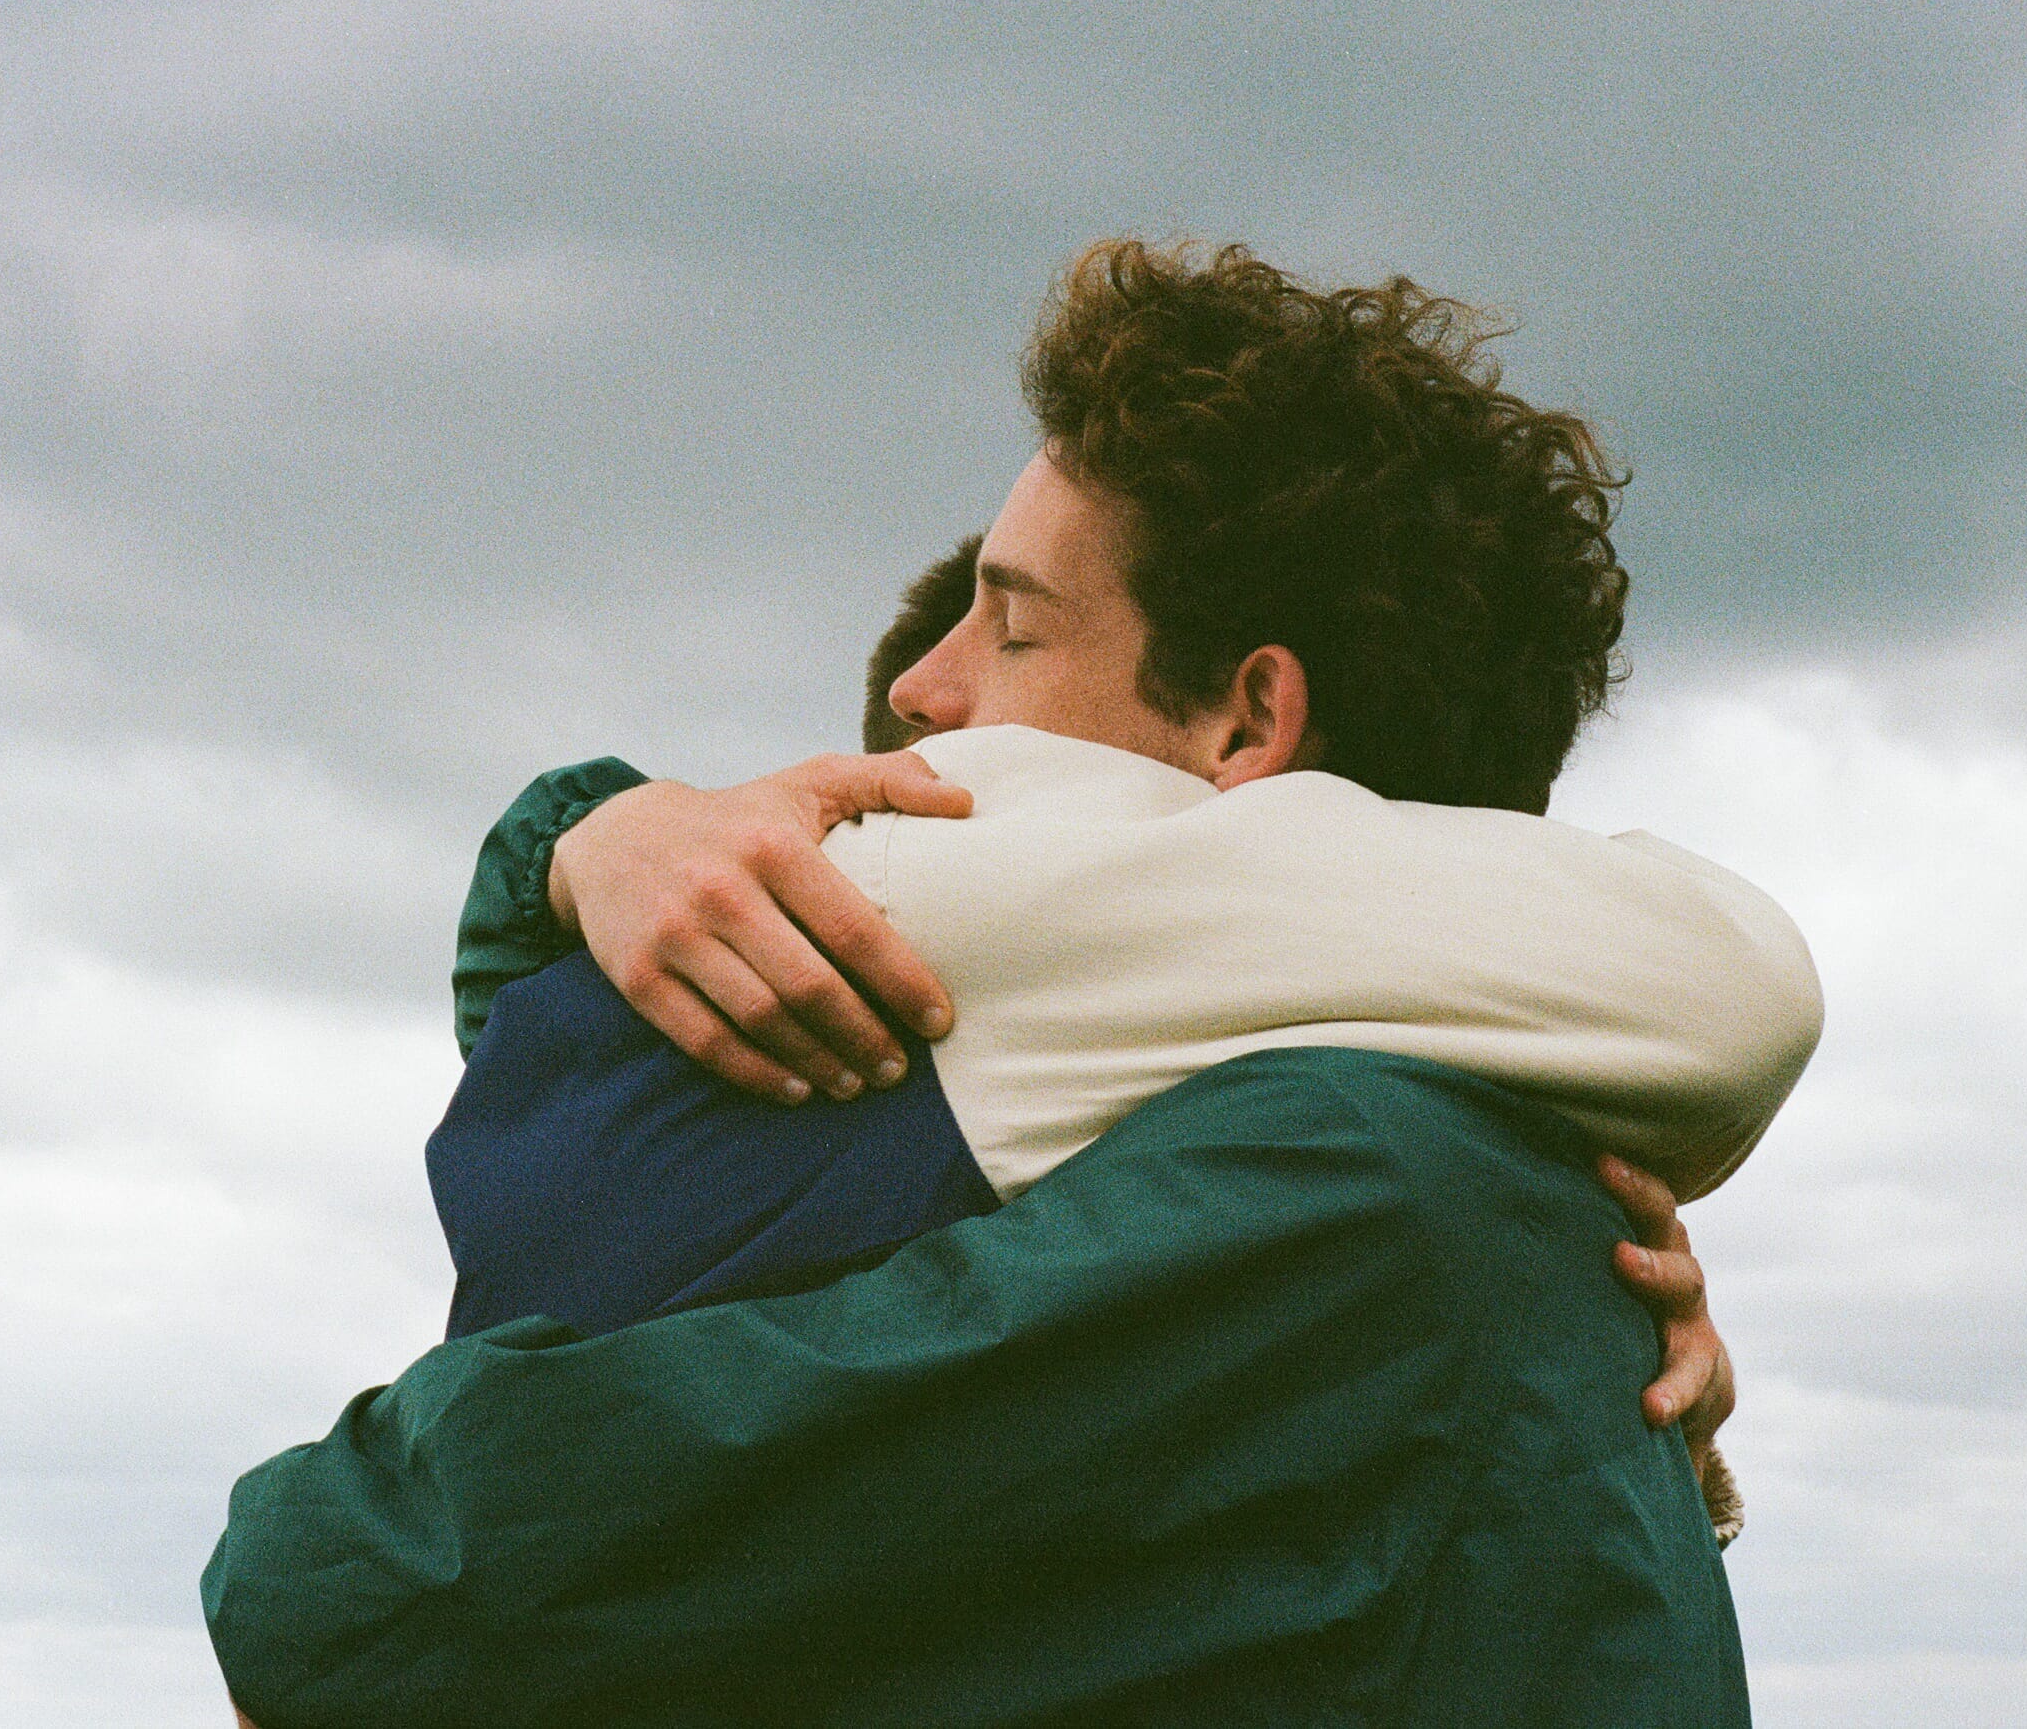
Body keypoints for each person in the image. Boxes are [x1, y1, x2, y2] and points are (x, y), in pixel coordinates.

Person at [209, 242, 1813, 1724]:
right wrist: (590, 837)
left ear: (1248, 727)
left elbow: (381, 1587)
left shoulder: (1344, 1198)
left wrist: (306, 1527)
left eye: (1014, 624)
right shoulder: (1412, 1166)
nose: (919, 689)